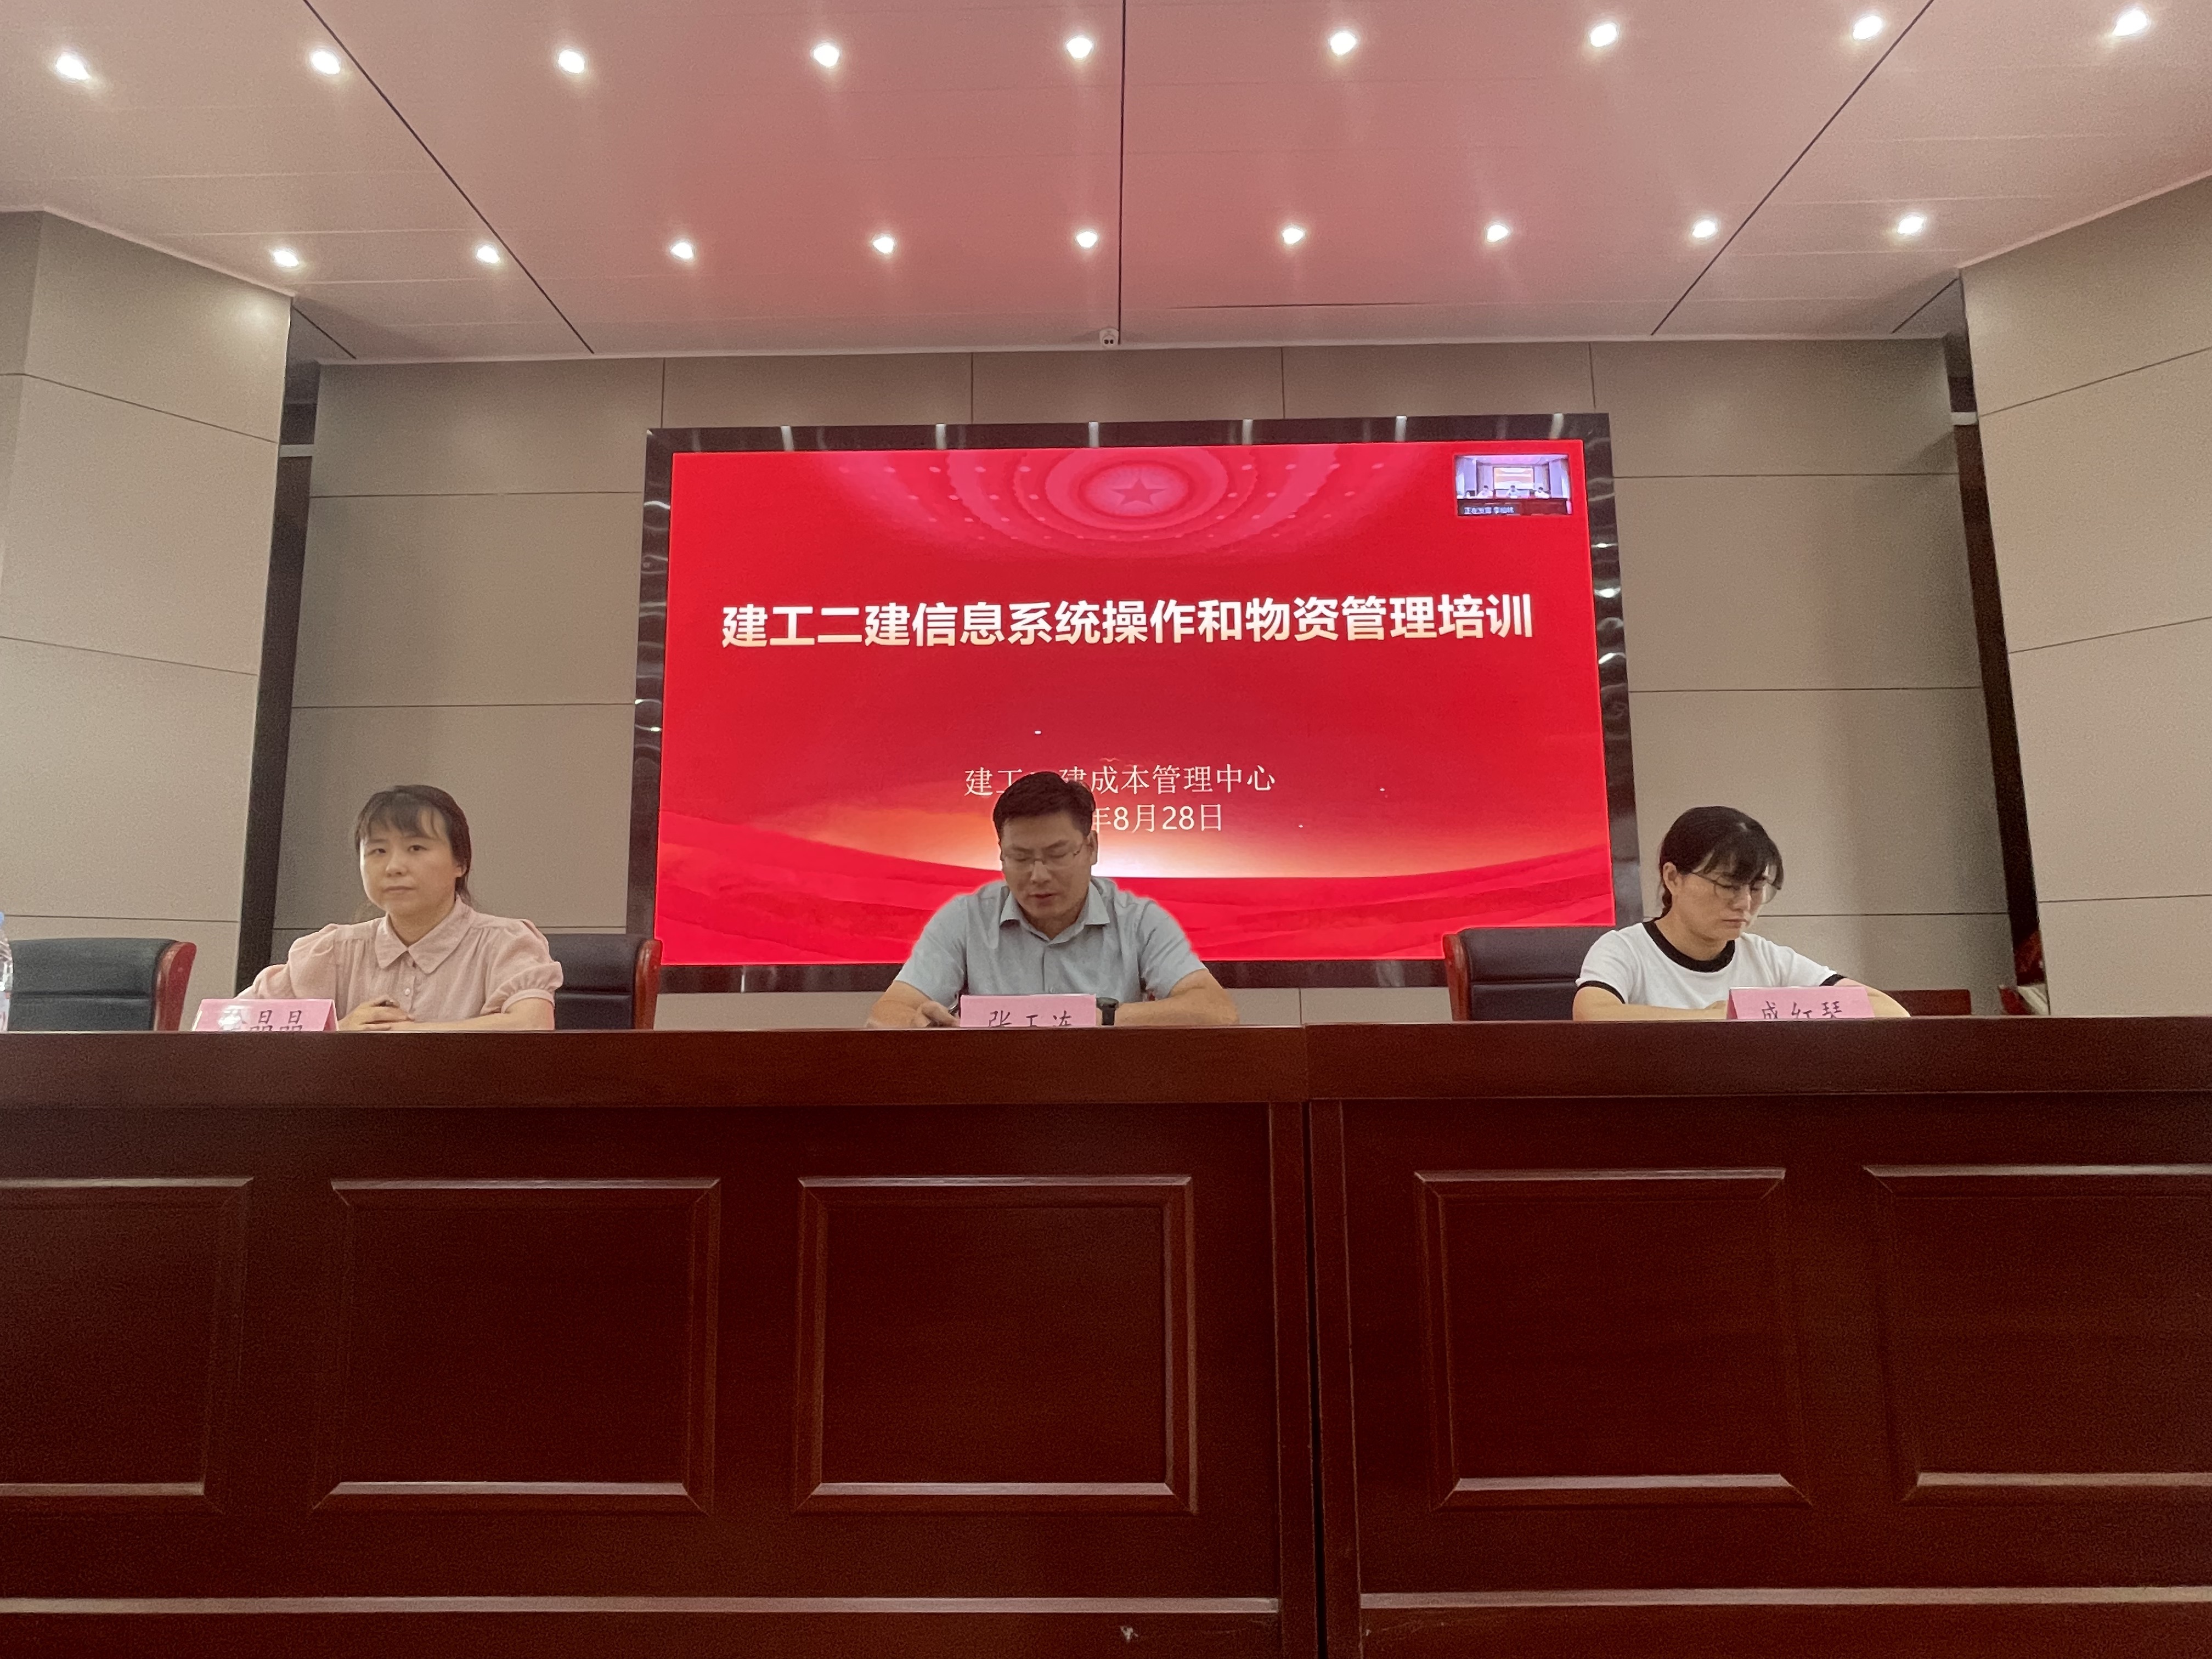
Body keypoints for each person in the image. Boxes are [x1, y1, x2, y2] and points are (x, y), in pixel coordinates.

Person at [867, 771, 1239, 1029]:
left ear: (1091, 847)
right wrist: (923, 1028)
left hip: (1108, 1101)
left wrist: (1102, 1018)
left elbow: (1215, 1010)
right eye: (1020, 857)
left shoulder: (1138, 920)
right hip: (996, 1101)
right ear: (1001, 854)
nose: (1039, 875)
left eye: (1057, 854)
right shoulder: (965, 919)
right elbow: (887, 1013)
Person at [245, 785, 562, 1031]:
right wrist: (338, 1031)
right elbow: (232, 1024)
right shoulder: (330, 953)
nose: (394, 867)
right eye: (378, 851)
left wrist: (406, 1035)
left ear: (460, 862)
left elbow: (533, 1025)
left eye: (416, 848)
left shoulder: (505, 944)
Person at [1572, 805, 1909, 1020]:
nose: (1744, 903)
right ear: (1673, 878)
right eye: (1728, 886)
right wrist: (1717, 1018)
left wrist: (1754, 1012)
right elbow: (1593, 1014)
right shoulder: (1626, 950)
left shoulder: (1767, 959)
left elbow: (1889, 1011)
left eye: (1757, 888)